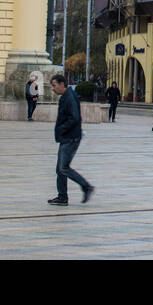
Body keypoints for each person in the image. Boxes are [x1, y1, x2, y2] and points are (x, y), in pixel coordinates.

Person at [48, 73, 94, 206]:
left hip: (70, 137)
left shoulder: (69, 97)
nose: (53, 88)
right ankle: (62, 197)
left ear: (62, 84)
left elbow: (74, 117)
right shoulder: (66, 96)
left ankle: (86, 186)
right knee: (60, 169)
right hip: (67, 137)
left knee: (64, 168)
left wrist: (61, 129)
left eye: (54, 85)